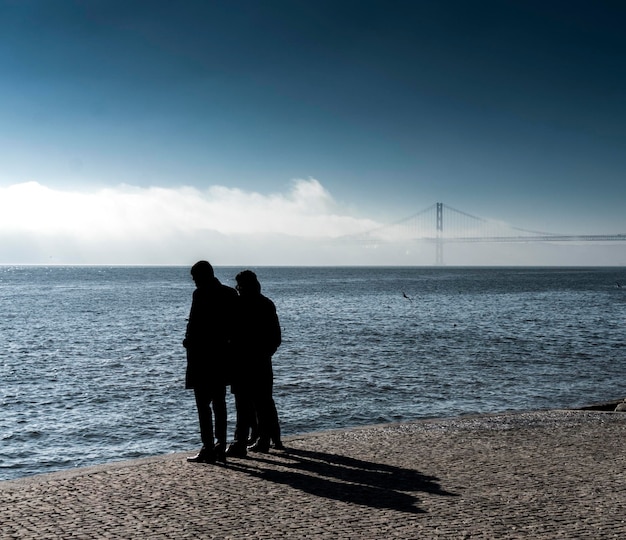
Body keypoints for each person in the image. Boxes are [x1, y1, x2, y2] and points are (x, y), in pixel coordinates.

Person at [183, 260, 238, 464]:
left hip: (202, 357)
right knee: (219, 404)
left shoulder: (200, 295)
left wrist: (189, 341)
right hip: (221, 357)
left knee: (203, 406)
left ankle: (208, 447)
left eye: (196, 278)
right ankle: (220, 446)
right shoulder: (230, 293)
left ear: (204, 276)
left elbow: (195, 323)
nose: (194, 282)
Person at [226, 270, 283, 456]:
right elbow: (275, 337)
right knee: (263, 403)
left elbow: (231, 334)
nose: (238, 289)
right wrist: (266, 353)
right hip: (261, 362)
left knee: (243, 406)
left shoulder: (238, 305)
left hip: (243, 362)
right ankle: (265, 439)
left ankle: (240, 442)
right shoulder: (266, 304)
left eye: (239, 286)